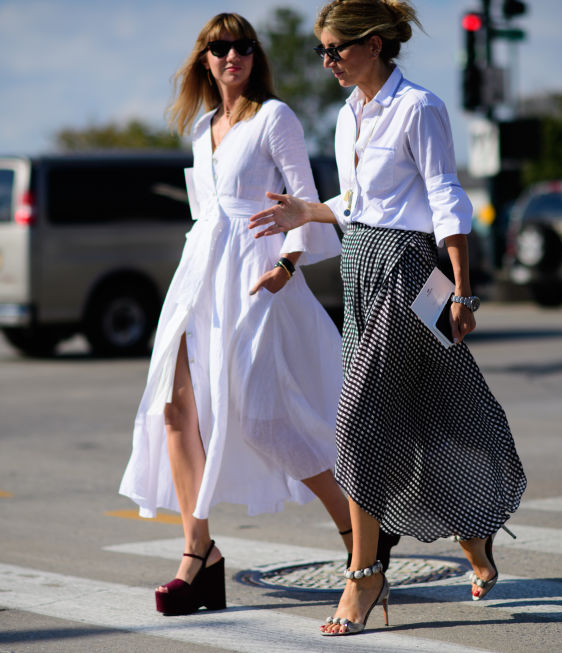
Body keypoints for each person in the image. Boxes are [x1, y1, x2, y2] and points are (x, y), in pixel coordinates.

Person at [249, 0, 526, 636]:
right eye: (322, 51)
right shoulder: (349, 115)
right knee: (433, 409)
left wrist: (461, 290)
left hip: (407, 273)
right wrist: (308, 212)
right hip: (358, 268)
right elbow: (356, 200)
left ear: (374, 44)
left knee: (356, 423)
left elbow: (443, 195)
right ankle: (475, 536)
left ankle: (364, 574)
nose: (327, 62)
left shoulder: (419, 106)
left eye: (335, 49)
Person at [118, 12, 353, 617]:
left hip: (257, 280)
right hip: (201, 275)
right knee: (174, 408)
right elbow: (208, 214)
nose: (232, 56)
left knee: (259, 416)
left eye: (243, 47)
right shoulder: (203, 127)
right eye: (220, 48)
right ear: (205, 59)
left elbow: (304, 199)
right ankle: (198, 556)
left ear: (255, 57)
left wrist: (289, 264)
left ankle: (358, 534)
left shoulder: (275, 117)